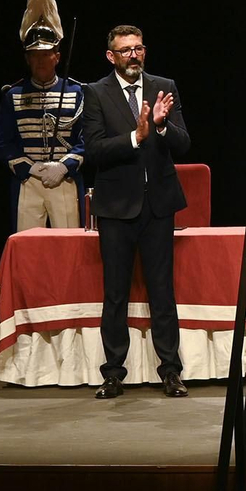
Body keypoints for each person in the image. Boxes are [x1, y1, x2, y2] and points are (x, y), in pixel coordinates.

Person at [83, 24, 190, 399]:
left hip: (158, 206)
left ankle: (171, 371)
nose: (134, 55)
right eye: (126, 50)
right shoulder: (95, 93)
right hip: (116, 208)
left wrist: (160, 128)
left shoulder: (165, 86)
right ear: (111, 56)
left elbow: (184, 142)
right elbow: (93, 149)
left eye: (139, 48)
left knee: (163, 291)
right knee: (115, 294)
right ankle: (113, 372)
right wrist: (136, 137)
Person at [0, 0, 85, 232]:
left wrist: (65, 165)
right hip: (28, 180)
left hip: (64, 178)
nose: (41, 60)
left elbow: (86, 139)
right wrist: (29, 167)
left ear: (57, 56)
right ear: (27, 58)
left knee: (69, 247)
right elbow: (1, 143)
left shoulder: (77, 92)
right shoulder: (13, 95)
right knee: (28, 249)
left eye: (46, 54)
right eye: (35, 55)